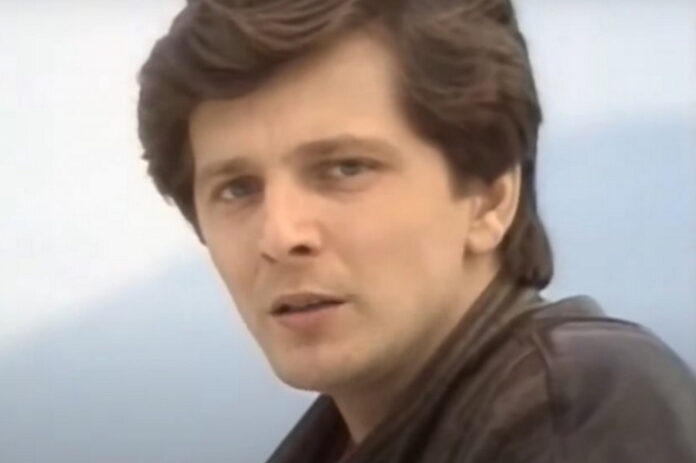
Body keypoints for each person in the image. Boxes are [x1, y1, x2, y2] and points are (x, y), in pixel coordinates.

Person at [136, 0, 696, 461]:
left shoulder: (579, 412)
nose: (280, 235)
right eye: (237, 189)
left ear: (489, 198)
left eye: (346, 169)